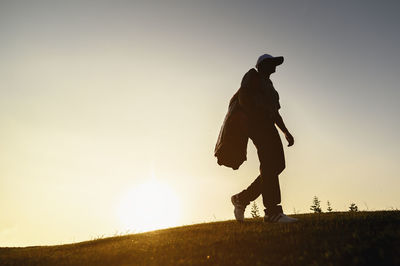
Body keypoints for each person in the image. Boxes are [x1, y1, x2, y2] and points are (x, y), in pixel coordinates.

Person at [230, 54, 298, 223]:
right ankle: (272, 212)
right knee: (269, 166)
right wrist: (255, 119)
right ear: (262, 65)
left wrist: (285, 131)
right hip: (258, 127)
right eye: (271, 63)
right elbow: (244, 97)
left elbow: (275, 112)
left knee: (277, 166)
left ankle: (242, 198)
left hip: (269, 127)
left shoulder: (269, 85)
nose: (275, 66)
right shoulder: (252, 76)